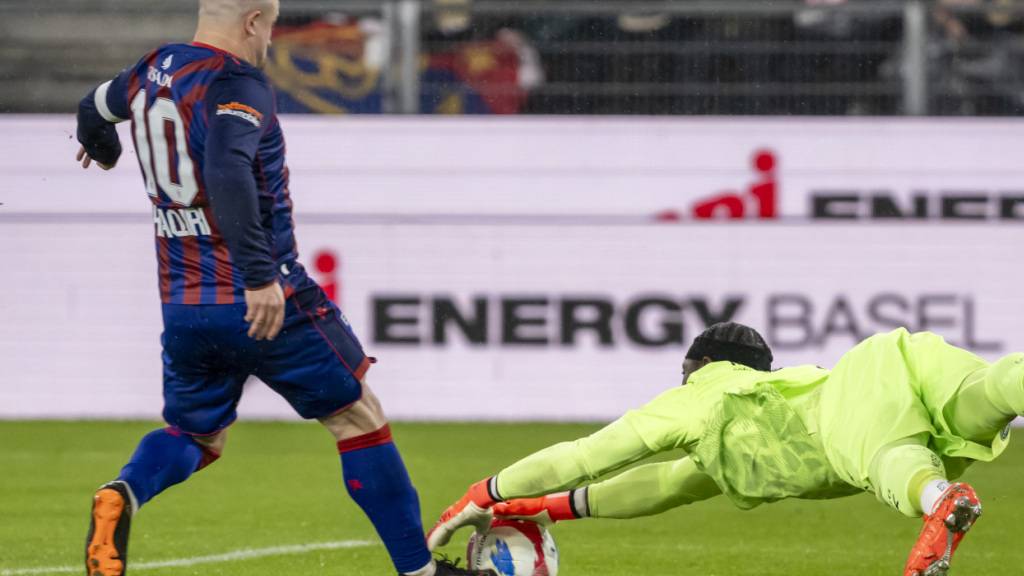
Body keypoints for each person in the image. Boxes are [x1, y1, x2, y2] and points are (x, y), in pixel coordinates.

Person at [74, 2, 492, 575]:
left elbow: (92, 108)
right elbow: (227, 170)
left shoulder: (153, 68)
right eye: (269, 27)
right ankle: (419, 571)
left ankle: (123, 491)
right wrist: (259, 277)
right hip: (262, 296)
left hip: (184, 303)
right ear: (252, 21)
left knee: (198, 435)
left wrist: (102, 147)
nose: (270, 41)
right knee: (357, 418)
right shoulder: (237, 83)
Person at [428, 322, 1021, 576]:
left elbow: (585, 456)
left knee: (883, 456)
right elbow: (665, 486)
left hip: (854, 416)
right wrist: (545, 508)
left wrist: (484, 494)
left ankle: (938, 498)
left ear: (701, 363)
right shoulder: (747, 431)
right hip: (896, 358)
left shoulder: (705, 393)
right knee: (988, 393)